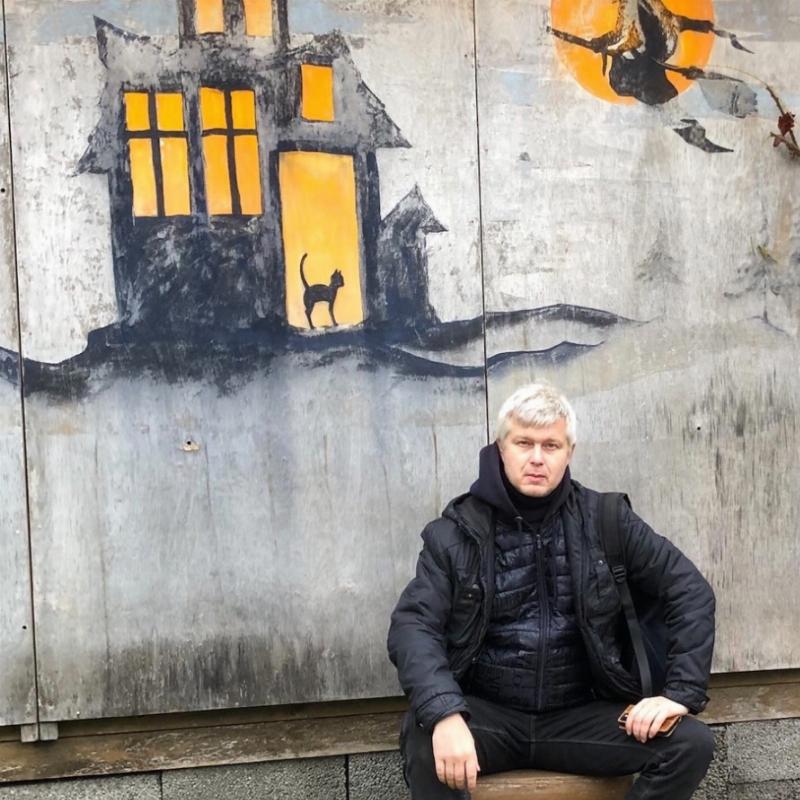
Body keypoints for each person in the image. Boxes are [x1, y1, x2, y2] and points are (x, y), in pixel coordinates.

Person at [387, 383, 715, 799]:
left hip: (581, 717)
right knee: (424, 740)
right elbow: (413, 626)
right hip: (487, 716)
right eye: (524, 443)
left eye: (551, 445)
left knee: (690, 743)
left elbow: (690, 592)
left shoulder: (605, 518)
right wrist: (445, 713)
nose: (537, 458)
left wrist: (678, 695)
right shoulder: (456, 532)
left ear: (569, 452)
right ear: (501, 448)